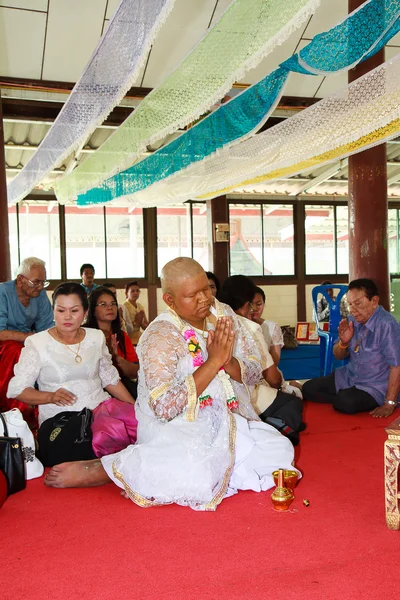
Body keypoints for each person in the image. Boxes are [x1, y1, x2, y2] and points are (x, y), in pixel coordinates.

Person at [43, 257, 298, 510]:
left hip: (230, 419)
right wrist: (212, 363)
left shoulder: (223, 314)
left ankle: (144, 474)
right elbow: (162, 408)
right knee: (198, 475)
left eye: (206, 290)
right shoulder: (159, 334)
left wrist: (227, 361)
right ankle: (107, 468)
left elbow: (254, 370)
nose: (204, 299)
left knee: (278, 450)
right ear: (170, 300)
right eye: (192, 295)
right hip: (180, 428)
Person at [7, 282, 137, 462]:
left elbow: (110, 379)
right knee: (102, 438)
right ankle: (100, 467)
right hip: (62, 421)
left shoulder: (96, 337)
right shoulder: (37, 343)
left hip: (100, 408)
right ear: (53, 312)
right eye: (61, 310)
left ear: (84, 313)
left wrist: (135, 409)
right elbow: (17, 389)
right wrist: (50, 397)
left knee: (139, 427)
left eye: (74, 311)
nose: (67, 317)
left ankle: (98, 467)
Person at [219, 275, 304, 445]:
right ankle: (266, 428)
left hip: (215, 394)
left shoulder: (210, 322)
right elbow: (272, 377)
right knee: (293, 403)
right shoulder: (249, 327)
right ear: (246, 304)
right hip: (244, 393)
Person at [302, 278, 400, 418]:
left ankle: (345, 396)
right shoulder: (352, 320)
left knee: (345, 403)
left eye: (358, 304)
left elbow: (397, 366)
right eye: (350, 304)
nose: (353, 310)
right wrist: (344, 343)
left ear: (374, 301)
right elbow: (338, 355)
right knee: (308, 389)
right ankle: (343, 394)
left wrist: (389, 403)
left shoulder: (387, 325)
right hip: (348, 377)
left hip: (375, 386)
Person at [0, 257, 54, 428]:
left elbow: (47, 327)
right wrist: (28, 338)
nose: (40, 287)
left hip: (28, 340)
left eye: (43, 282)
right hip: (5, 343)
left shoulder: (40, 295)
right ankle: (18, 410)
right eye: (36, 282)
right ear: (21, 279)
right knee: (18, 351)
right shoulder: (2, 293)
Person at [86, 286, 139, 398]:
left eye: (113, 304)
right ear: (93, 310)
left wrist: (117, 359)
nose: (110, 308)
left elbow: (135, 372)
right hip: (92, 389)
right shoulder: (84, 335)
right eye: (103, 304)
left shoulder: (121, 336)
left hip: (119, 385)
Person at [251, 286, 284, 366]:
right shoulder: (238, 325)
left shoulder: (272, 327)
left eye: (259, 304)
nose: (255, 308)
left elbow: (274, 362)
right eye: (251, 304)